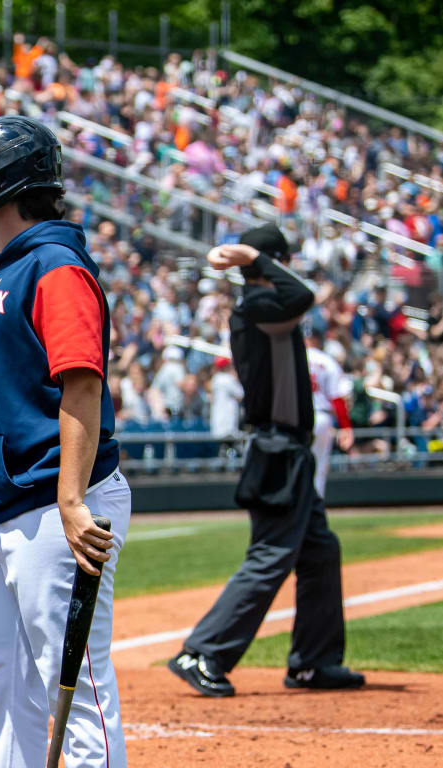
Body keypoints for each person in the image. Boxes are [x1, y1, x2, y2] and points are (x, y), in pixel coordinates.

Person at [0, 115, 129, 768]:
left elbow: (83, 387)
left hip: (58, 500)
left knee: (77, 683)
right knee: (6, 678)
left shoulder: (55, 267)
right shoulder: (5, 266)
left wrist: (72, 501)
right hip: (17, 500)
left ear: (0, 186)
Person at [169, 225, 364, 698]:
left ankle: (313, 662)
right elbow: (303, 294)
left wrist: (256, 260)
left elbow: (298, 294)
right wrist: (254, 257)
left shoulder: (266, 306)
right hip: (278, 449)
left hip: (286, 447)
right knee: (272, 555)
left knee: (320, 551)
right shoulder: (259, 305)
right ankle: (204, 651)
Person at [305, 334, 353, 497]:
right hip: (321, 417)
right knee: (318, 466)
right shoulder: (326, 361)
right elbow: (337, 397)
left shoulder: (291, 358)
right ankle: (315, 507)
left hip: (297, 419)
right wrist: (346, 427)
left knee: (296, 464)